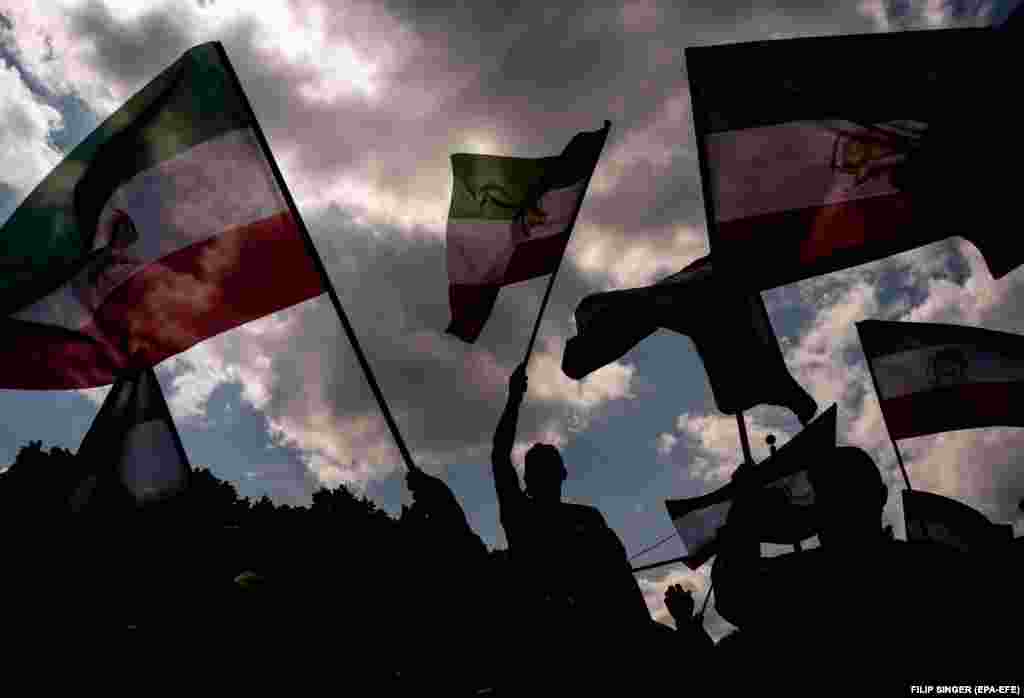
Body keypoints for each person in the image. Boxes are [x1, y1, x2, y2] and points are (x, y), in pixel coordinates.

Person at [711, 447, 1015, 689]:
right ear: (881, 496)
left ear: (817, 507)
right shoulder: (938, 567)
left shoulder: (804, 580)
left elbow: (736, 596)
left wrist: (744, 515)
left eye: (834, 494)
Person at [491, 362, 652, 686]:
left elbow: (622, 582)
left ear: (561, 475)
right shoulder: (522, 515)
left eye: (549, 470)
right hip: (547, 648)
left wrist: (642, 632)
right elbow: (498, 455)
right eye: (542, 471)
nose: (547, 477)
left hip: (594, 646)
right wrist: (512, 400)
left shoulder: (587, 519)